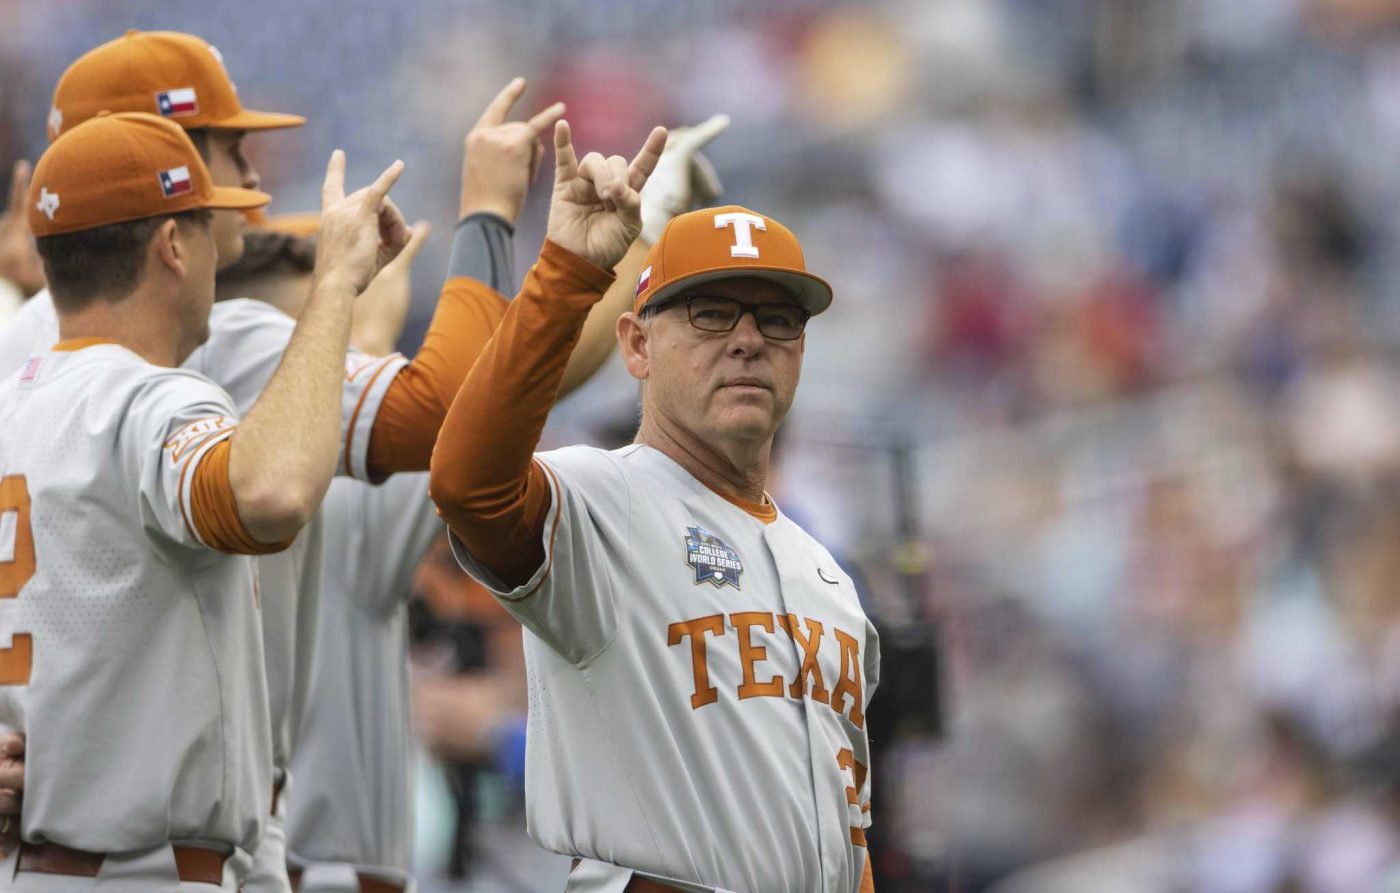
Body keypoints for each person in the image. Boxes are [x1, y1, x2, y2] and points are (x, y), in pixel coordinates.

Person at [0, 35, 582, 893]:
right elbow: (389, 434)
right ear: (169, 234)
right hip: (148, 861)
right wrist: (472, 235)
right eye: (225, 159)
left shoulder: (19, 361)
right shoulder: (170, 374)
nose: (250, 185)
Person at [428, 116, 880, 892]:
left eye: (777, 318)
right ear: (636, 344)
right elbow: (468, 481)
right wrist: (569, 271)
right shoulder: (606, 500)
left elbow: (849, 841)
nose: (747, 339)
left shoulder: (830, 582)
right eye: (709, 312)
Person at [0, 111, 405, 890]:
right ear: (173, 246)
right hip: (140, 867)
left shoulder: (15, 400)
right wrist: (335, 288)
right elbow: (273, 493)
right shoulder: (146, 396)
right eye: (207, 221)